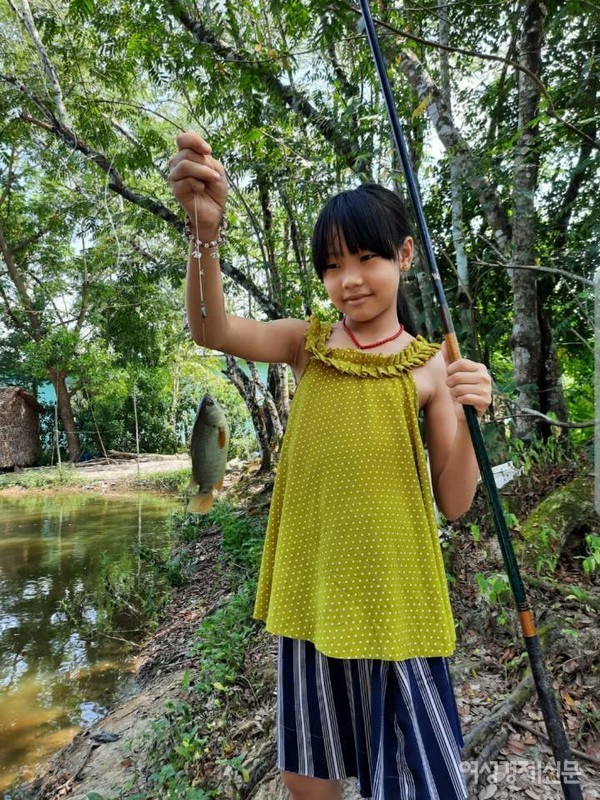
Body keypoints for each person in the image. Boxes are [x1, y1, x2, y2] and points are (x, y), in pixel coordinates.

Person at [169, 132, 491, 800]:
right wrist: (205, 235)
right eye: (332, 264)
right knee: (308, 772)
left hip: (398, 601)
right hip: (314, 594)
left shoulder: (432, 366)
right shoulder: (306, 346)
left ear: (404, 256)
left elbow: (455, 502)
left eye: (368, 257)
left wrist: (466, 413)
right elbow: (213, 331)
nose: (348, 279)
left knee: (411, 777)